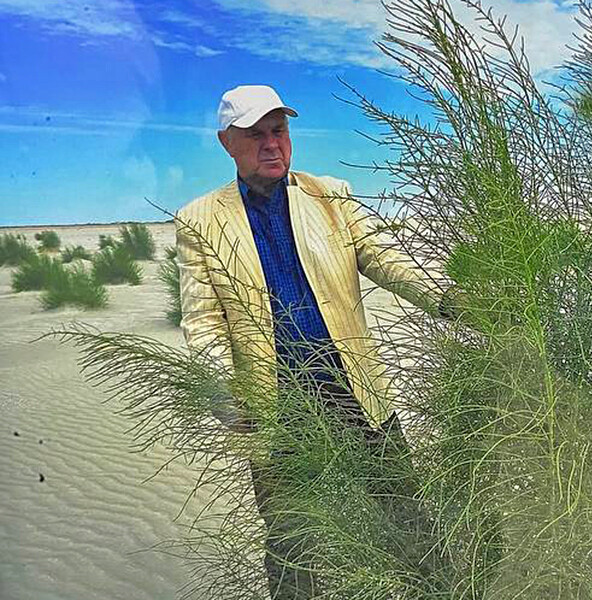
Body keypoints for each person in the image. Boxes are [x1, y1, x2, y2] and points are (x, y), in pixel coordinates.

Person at [175, 84, 456, 598]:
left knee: (405, 515)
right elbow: (204, 321)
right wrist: (226, 393)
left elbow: (387, 258)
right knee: (292, 539)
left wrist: (449, 299)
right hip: (276, 406)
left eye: (278, 130)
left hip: (355, 390)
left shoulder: (331, 195)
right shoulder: (200, 220)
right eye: (255, 135)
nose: (271, 144)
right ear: (226, 143)